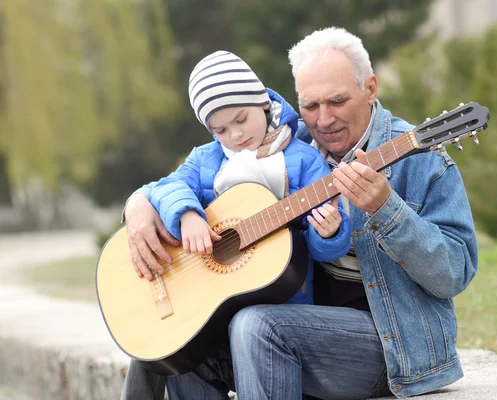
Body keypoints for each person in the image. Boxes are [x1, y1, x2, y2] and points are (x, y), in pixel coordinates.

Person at [122, 27, 478, 399]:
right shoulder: (286, 147)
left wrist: (385, 209)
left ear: (371, 88)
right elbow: (172, 183)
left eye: (337, 101)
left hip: (395, 344)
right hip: (293, 332)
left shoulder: (424, 162)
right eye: (310, 106)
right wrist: (138, 206)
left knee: (256, 325)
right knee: (175, 342)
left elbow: (454, 273)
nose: (323, 120)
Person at [120, 50, 352, 400]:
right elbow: (168, 186)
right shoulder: (207, 159)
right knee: (156, 346)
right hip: (208, 303)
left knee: (177, 347)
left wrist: (330, 231)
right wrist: (187, 214)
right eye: (220, 129)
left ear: (262, 103)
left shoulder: (303, 161)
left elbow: (321, 251)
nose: (235, 134)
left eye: (241, 119)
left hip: (277, 313)